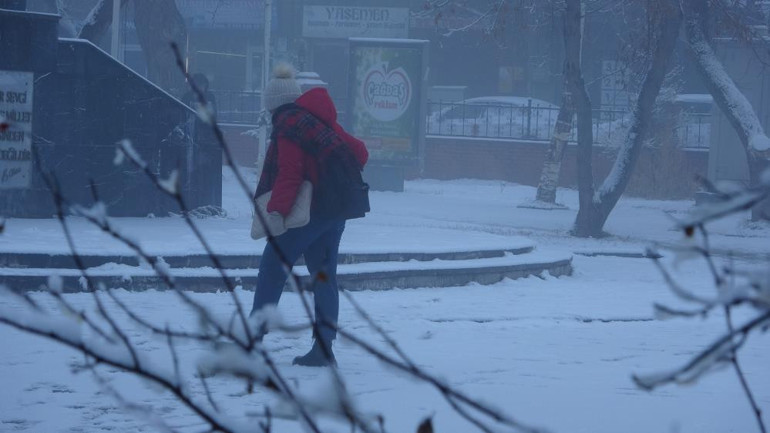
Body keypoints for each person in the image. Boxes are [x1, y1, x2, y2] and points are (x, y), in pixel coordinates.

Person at [251, 64, 368, 367]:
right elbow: (360, 152)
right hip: (335, 212)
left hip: (309, 214)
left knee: (271, 270)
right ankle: (324, 349)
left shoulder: (289, 125)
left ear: (273, 103)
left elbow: (289, 174)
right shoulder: (320, 121)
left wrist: (276, 212)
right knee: (324, 276)